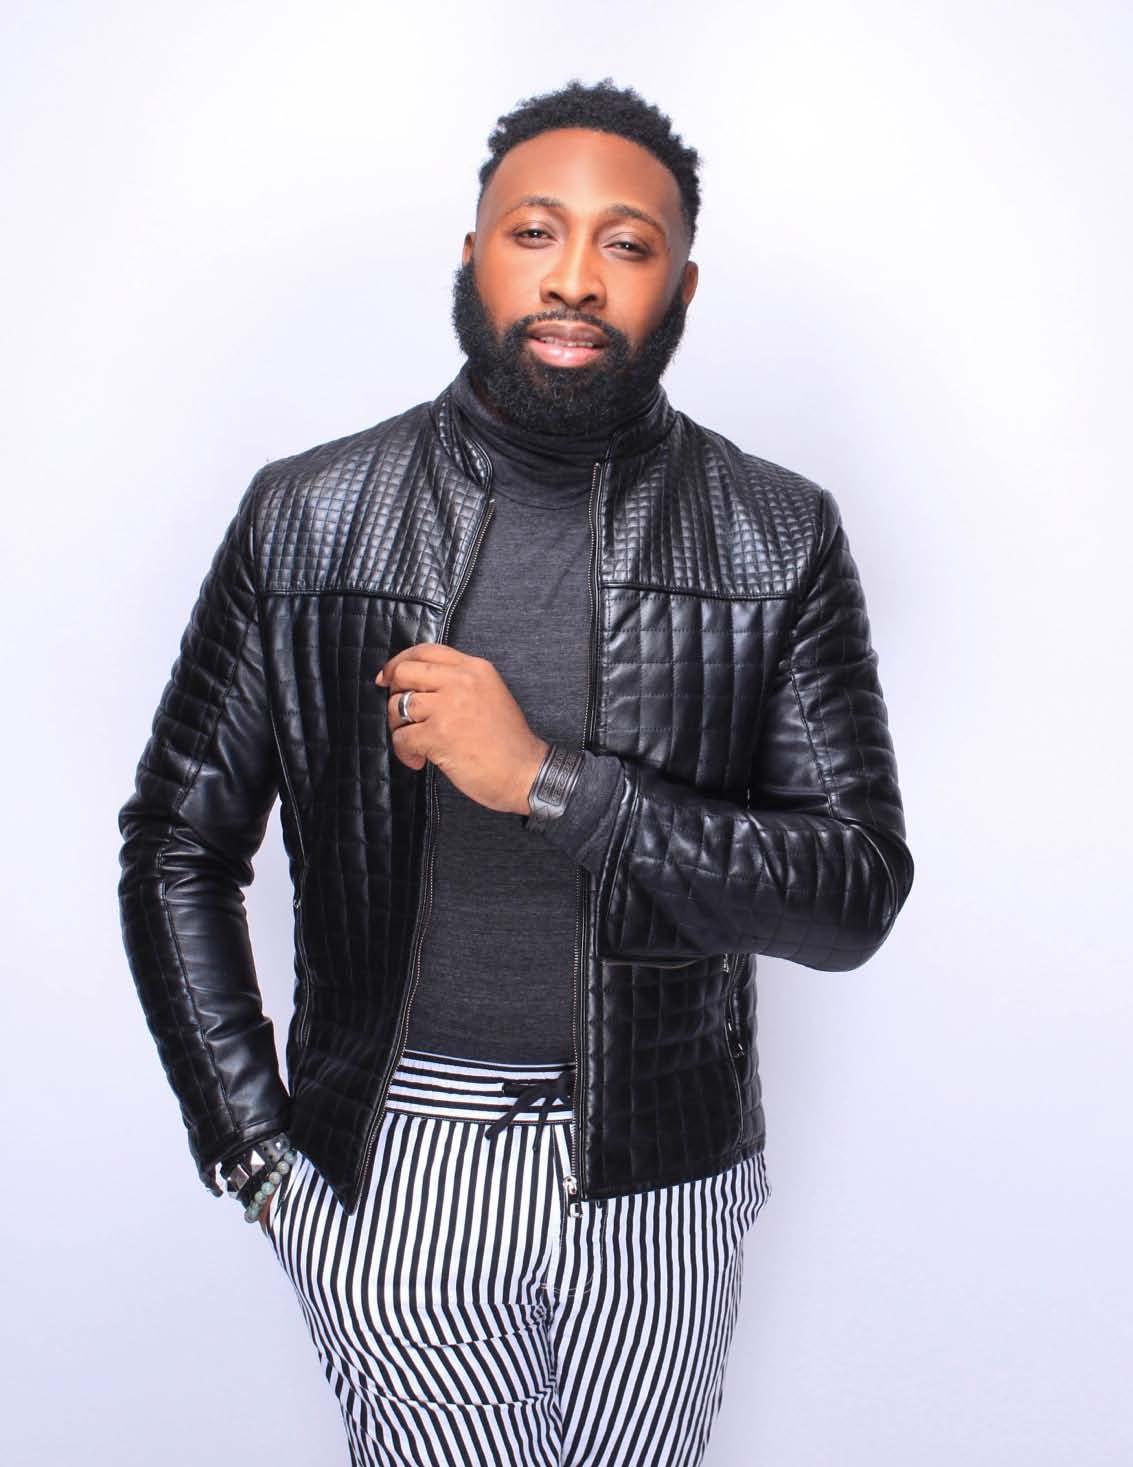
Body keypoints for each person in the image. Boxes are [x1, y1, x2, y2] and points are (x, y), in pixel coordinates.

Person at [117, 77, 914, 1467]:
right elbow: (178, 845)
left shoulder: (774, 534)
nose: (575, 277)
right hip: (397, 1165)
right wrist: (252, 1149)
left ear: (680, 286)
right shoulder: (310, 517)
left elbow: (850, 892)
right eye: (535, 231)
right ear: (473, 253)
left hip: (663, 1177)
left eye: (627, 243)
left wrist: (550, 781)